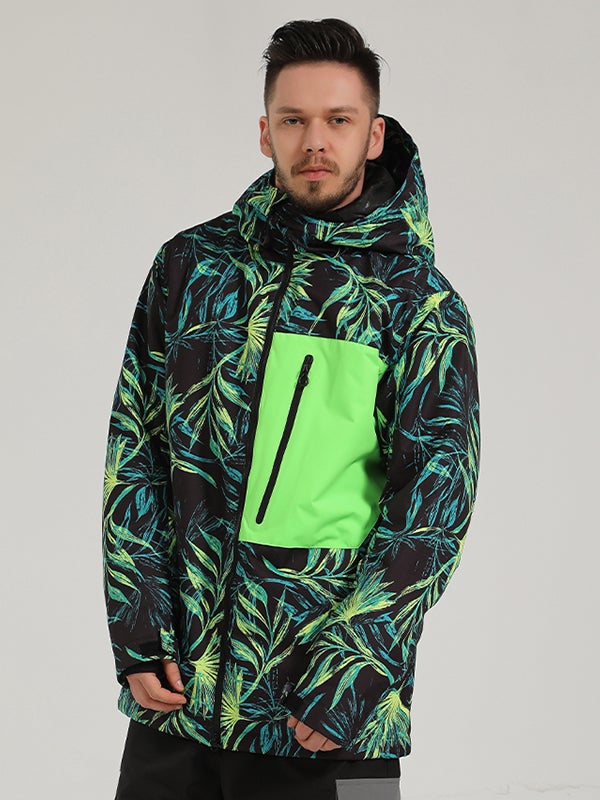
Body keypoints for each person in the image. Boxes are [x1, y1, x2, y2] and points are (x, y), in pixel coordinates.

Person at [102, 17, 480, 800]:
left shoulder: (419, 306)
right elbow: (135, 451)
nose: (315, 141)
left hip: (327, 722)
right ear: (264, 132)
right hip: (177, 714)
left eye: (338, 120)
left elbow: (432, 510)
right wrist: (139, 630)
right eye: (294, 119)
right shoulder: (189, 267)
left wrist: (353, 673)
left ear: (373, 134)